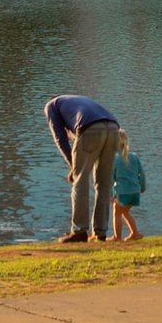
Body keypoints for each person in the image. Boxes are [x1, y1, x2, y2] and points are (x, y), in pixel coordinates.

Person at [44, 93, 121, 243]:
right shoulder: (74, 101)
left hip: (91, 128)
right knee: (104, 184)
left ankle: (79, 231)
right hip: (114, 128)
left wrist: (73, 166)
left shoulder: (50, 106)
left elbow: (60, 139)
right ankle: (101, 232)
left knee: (80, 181)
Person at [110, 130, 147, 241]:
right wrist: (143, 187)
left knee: (116, 212)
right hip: (135, 192)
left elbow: (111, 178)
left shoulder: (115, 159)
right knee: (125, 212)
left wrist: (110, 194)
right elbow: (142, 174)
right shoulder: (134, 157)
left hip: (123, 192)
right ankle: (135, 233)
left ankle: (117, 237)